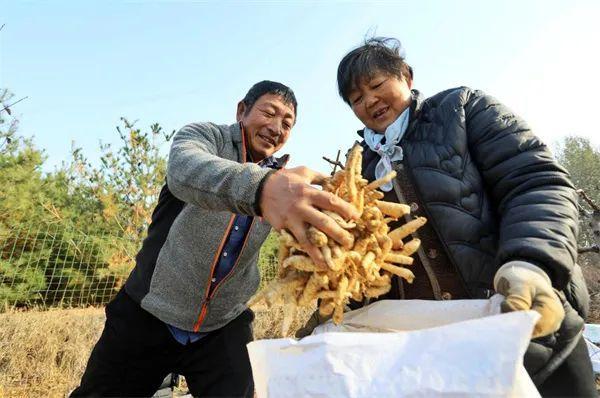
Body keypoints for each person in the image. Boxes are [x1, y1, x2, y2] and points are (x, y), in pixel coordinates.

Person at [300, 38, 595, 397]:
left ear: (406, 77)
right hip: (433, 353)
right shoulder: (358, 167)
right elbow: (358, 255)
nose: (369, 101)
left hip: (521, 320)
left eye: (376, 85)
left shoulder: (461, 109)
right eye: (356, 99)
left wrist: (532, 263)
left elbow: (534, 182)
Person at [71, 80, 358, 397]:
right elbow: (185, 168)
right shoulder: (204, 139)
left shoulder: (286, 182)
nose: (276, 127)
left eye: (287, 123)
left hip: (223, 324)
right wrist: (262, 188)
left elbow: (303, 241)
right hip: (149, 312)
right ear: (242, 110)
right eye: (269, 113)